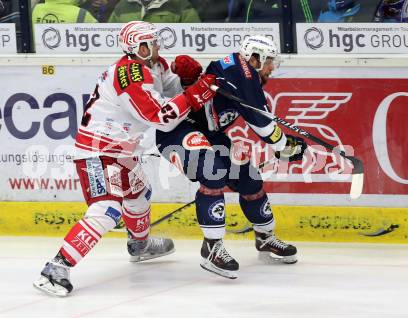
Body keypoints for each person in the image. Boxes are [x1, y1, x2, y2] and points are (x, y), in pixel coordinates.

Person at [33, 20, 216, 297]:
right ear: (137, 47)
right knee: (107, 209)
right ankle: (56, 268)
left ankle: (139, 246)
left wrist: (186, 81)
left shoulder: (154, 65)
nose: (157, 45)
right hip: (96, 151)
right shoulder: (129, 74)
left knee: (139, 193)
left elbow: (170, 91)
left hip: (122, 152)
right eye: (151, 42)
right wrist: (193, 96)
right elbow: (161, 118)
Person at [156, 35, 307, 279]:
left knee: (249, 178)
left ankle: (265, 237)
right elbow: (261, 123)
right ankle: (212, 248)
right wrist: (284, 145)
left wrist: (283, 144)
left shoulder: (242, 72)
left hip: (210, 134)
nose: (272, 68)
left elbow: (261, 118)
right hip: (177, 133)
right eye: (269, 62)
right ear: (255, 58)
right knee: (212, 173)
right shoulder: (243, 72)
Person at [107, 0, 200, 23]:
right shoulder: (123, 5)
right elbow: (110, 39)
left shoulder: (180, 5)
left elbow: (196, 39)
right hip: (131, 68)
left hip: (168, 67)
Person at [32, 0, 98, 24]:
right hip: (71, 55)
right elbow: (101, 37)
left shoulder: (33, 9)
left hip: (37, 55)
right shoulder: (82, 14)